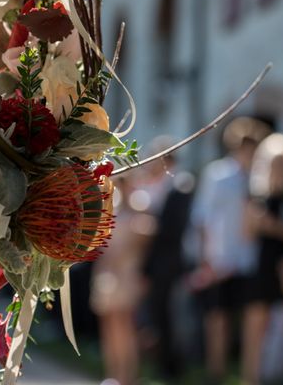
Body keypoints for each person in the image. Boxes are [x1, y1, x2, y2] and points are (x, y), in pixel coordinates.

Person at [190, 117, 270, 383]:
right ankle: (216, 375)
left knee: (249, 323)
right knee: (218, 321)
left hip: (248, 260)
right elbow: (202, 218)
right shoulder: (218, 174)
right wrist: (205, 259)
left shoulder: (259, 179)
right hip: (220, 259)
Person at [243, 133, 283, 385]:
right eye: (274, 164)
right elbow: (247, 232)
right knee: (255, 328)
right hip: (262, 267)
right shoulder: (258, 198)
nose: (278, 170)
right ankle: (251, 379)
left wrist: (273, 227)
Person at [90, 176, 151, 385]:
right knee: (109, 327)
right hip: (107, 276)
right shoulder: (110, 214)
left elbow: (147, 235)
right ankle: (113, 374)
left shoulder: (138, 214)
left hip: (126, 276)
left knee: (125, 327)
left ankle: (128, 376)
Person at [141, 141, 194, 380]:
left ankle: (174, 366)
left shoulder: (179, 188)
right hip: (156, 263)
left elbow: (172, 229)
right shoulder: (156, 187)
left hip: (170, 263)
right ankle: (162, 362)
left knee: (171, 315)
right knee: (158, 314)